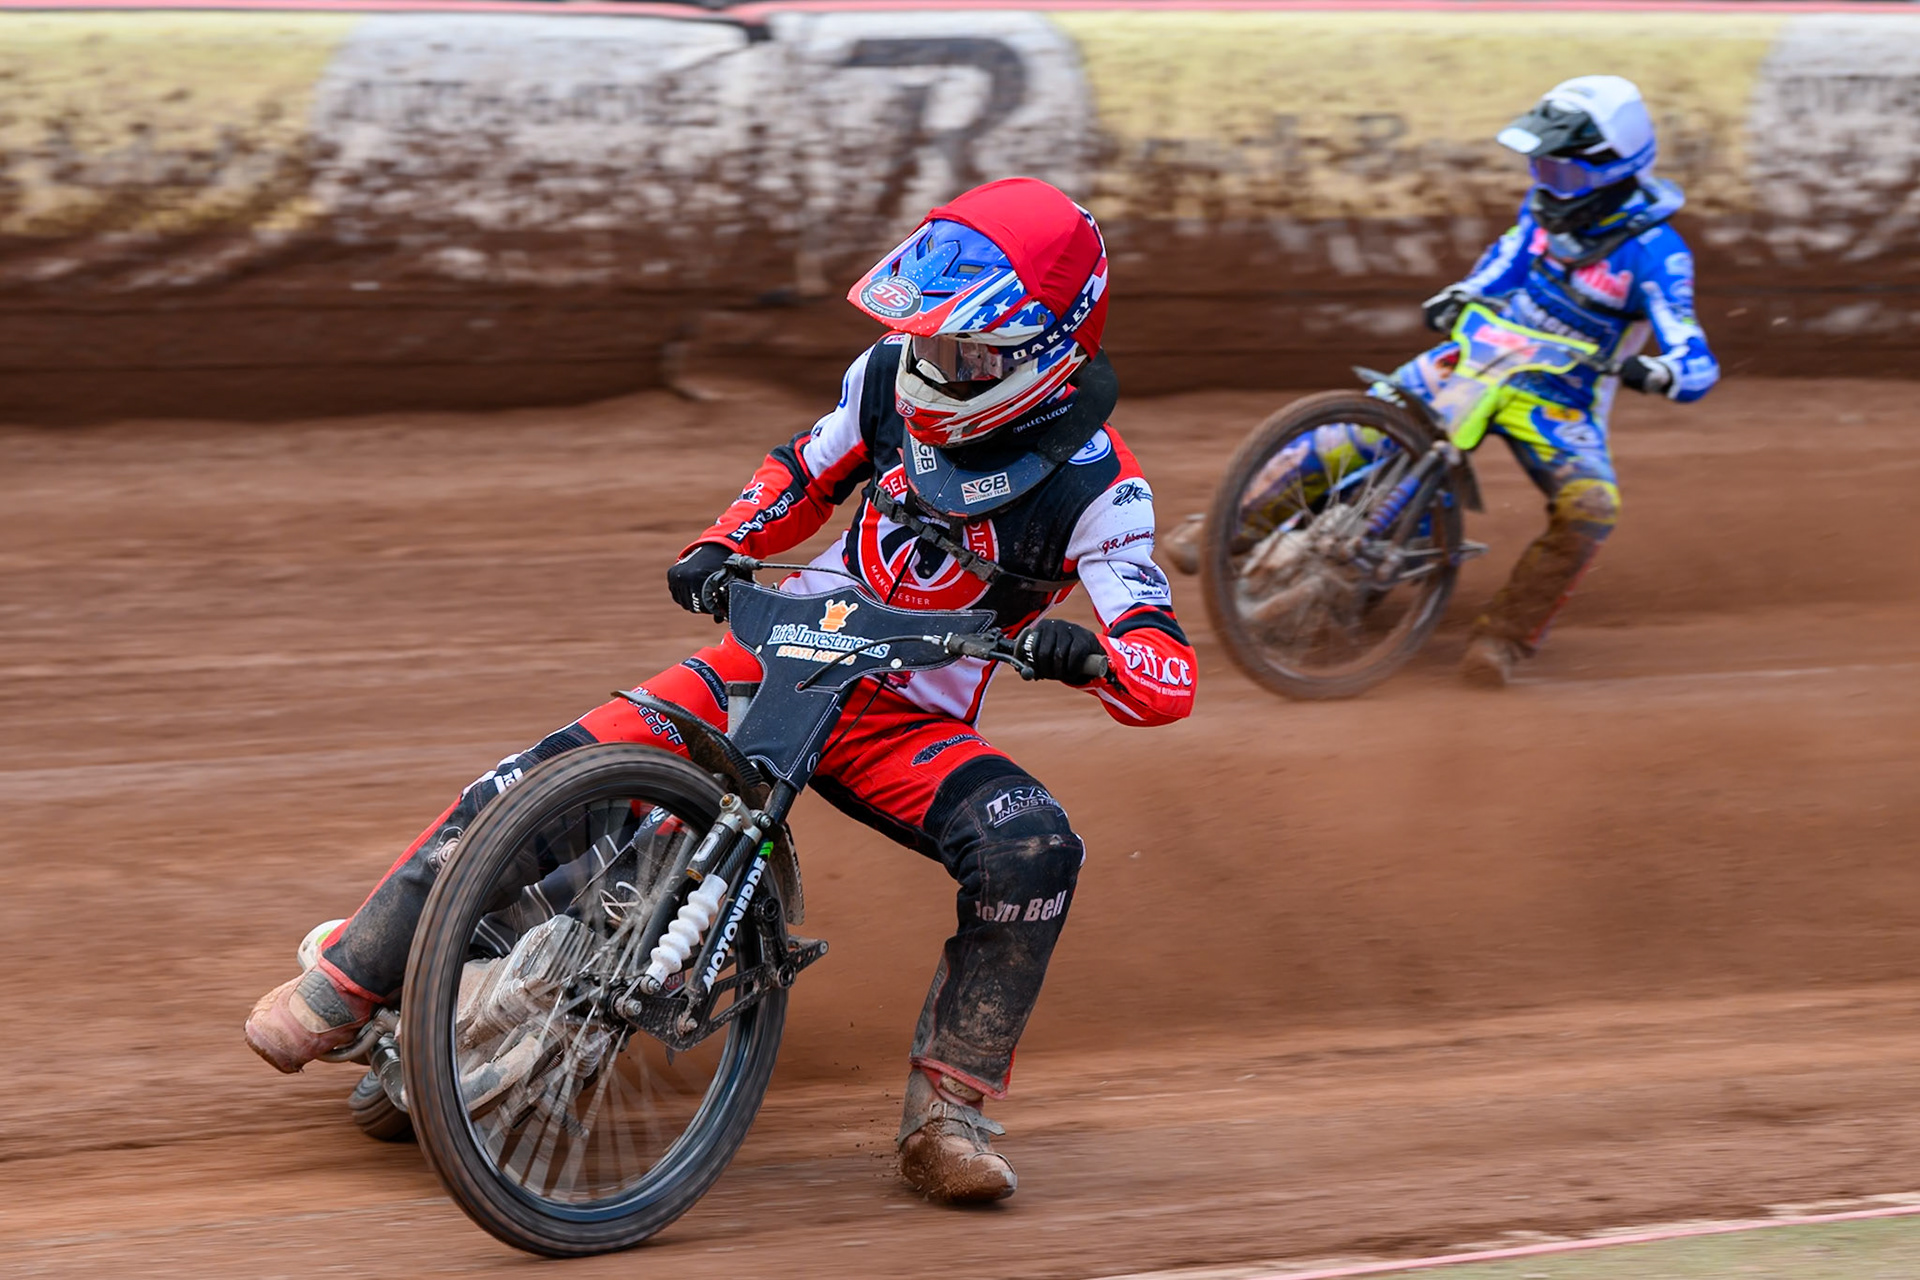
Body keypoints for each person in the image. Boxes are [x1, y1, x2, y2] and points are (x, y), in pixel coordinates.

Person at [244, 177, 1197, 1203]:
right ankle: (353, 978)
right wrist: (723, 539)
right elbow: (803, 470)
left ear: (1047, 353)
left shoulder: (1105, 488)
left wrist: (1095, 657)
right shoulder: (885, 380)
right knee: (551, 772)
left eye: (966, 354)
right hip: (783, 647)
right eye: (932, 340)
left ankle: (947, 1114)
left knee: (1035, 843)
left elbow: (1167, 669)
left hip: (906, 719)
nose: (934, 368)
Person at [1167, 75, 1718, 687]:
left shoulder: (1656, 253)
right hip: (1479, 355)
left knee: (1592, 507)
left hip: (1558, 399)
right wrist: (1462, 295)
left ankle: (1504, 639)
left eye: (1561, 172)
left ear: (1611, 168)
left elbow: (1694, 355)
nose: (1546, 182)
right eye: (1542, 167)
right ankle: (1228, 523)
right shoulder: (1539, 217)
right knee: (1360, 427)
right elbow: (1498, 269)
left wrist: (1668, 371)